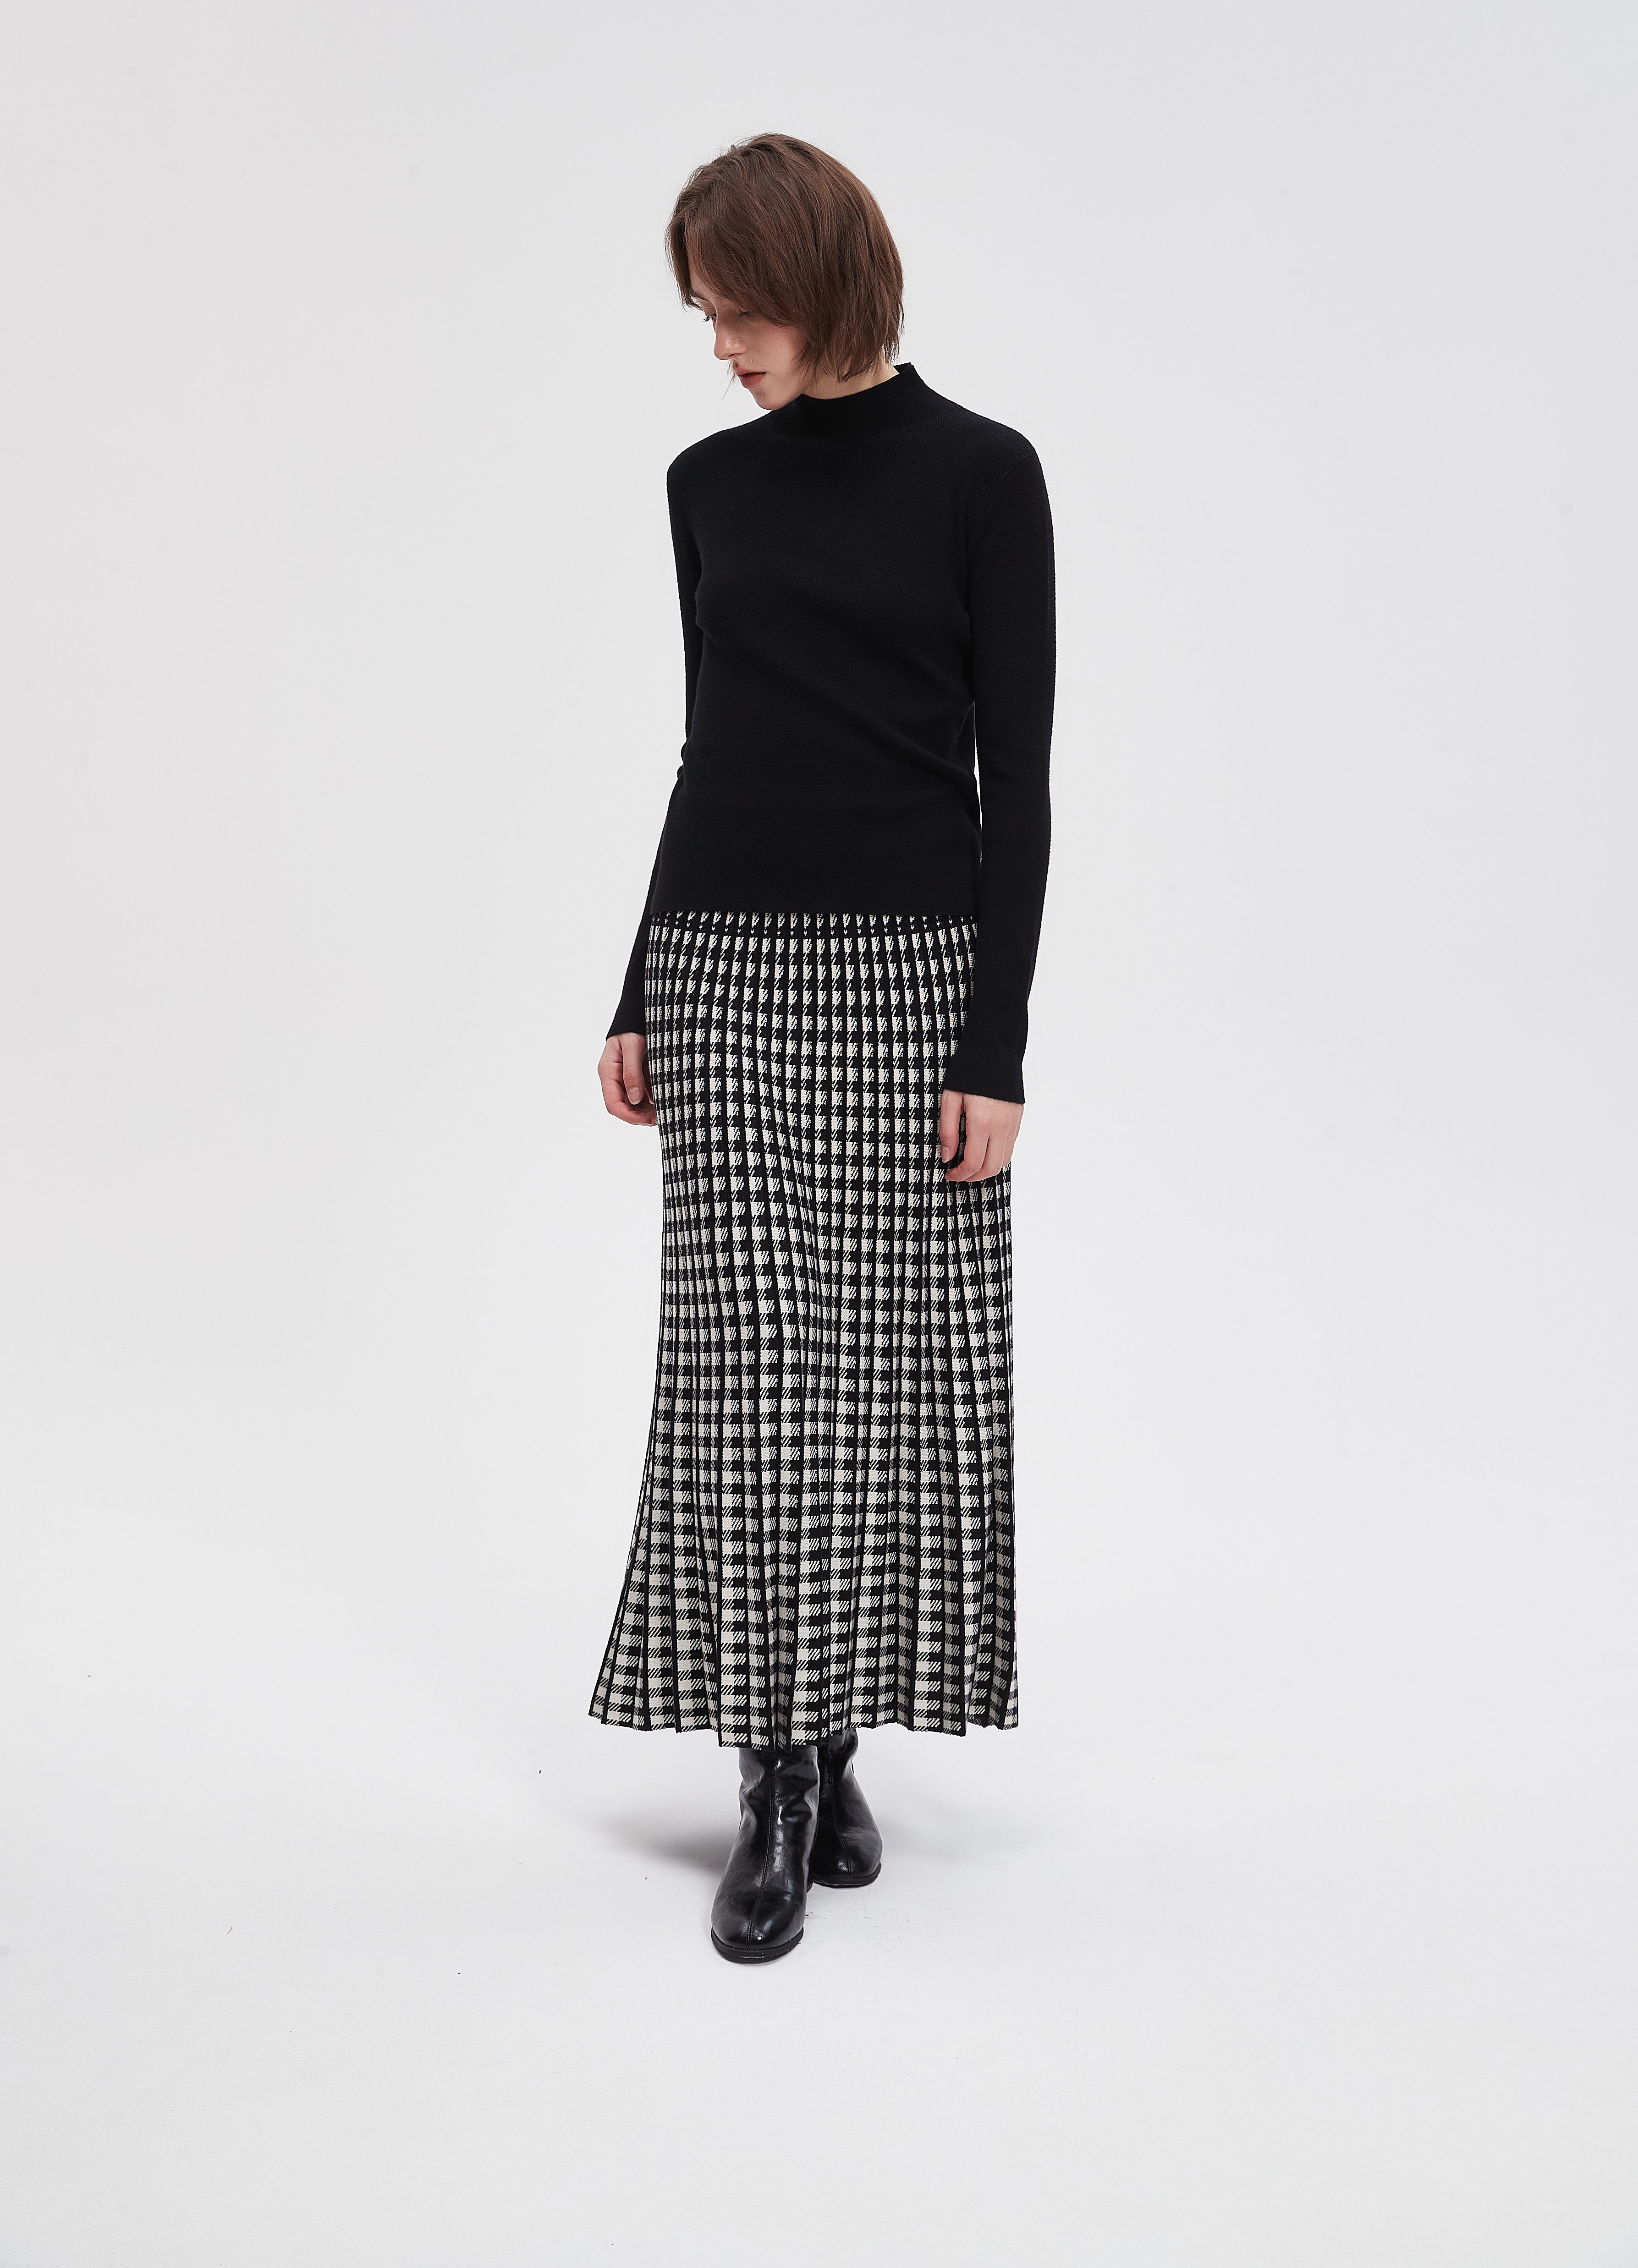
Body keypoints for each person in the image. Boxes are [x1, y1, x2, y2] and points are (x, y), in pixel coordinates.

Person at [592, 134, 1055, 1964]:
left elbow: (1018, 784)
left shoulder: (986, 476)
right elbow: (708, 742)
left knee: (885, 1375)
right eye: (705, 315)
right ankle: (777, 1769)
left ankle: (837, 1732)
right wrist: (639, 984)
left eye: (739, 310)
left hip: (910, 979)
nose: (718, 345)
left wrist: (996, 1043)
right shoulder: (707, 485)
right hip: (722, 965)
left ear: (823, 282)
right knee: (748, 1376)